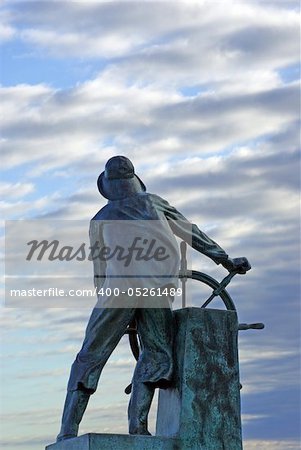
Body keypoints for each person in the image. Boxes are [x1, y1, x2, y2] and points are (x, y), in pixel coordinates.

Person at [57, 156, 249, 441]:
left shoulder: (99, 219)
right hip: (155, 289)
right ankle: (138, 427)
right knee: (156, 354)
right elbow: (192, 233)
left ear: (110, 187)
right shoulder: (154, 203)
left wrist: (113, 313)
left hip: (117, 293)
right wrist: (226, 260)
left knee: (90, 356)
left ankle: (67, 431)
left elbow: (100, 272)